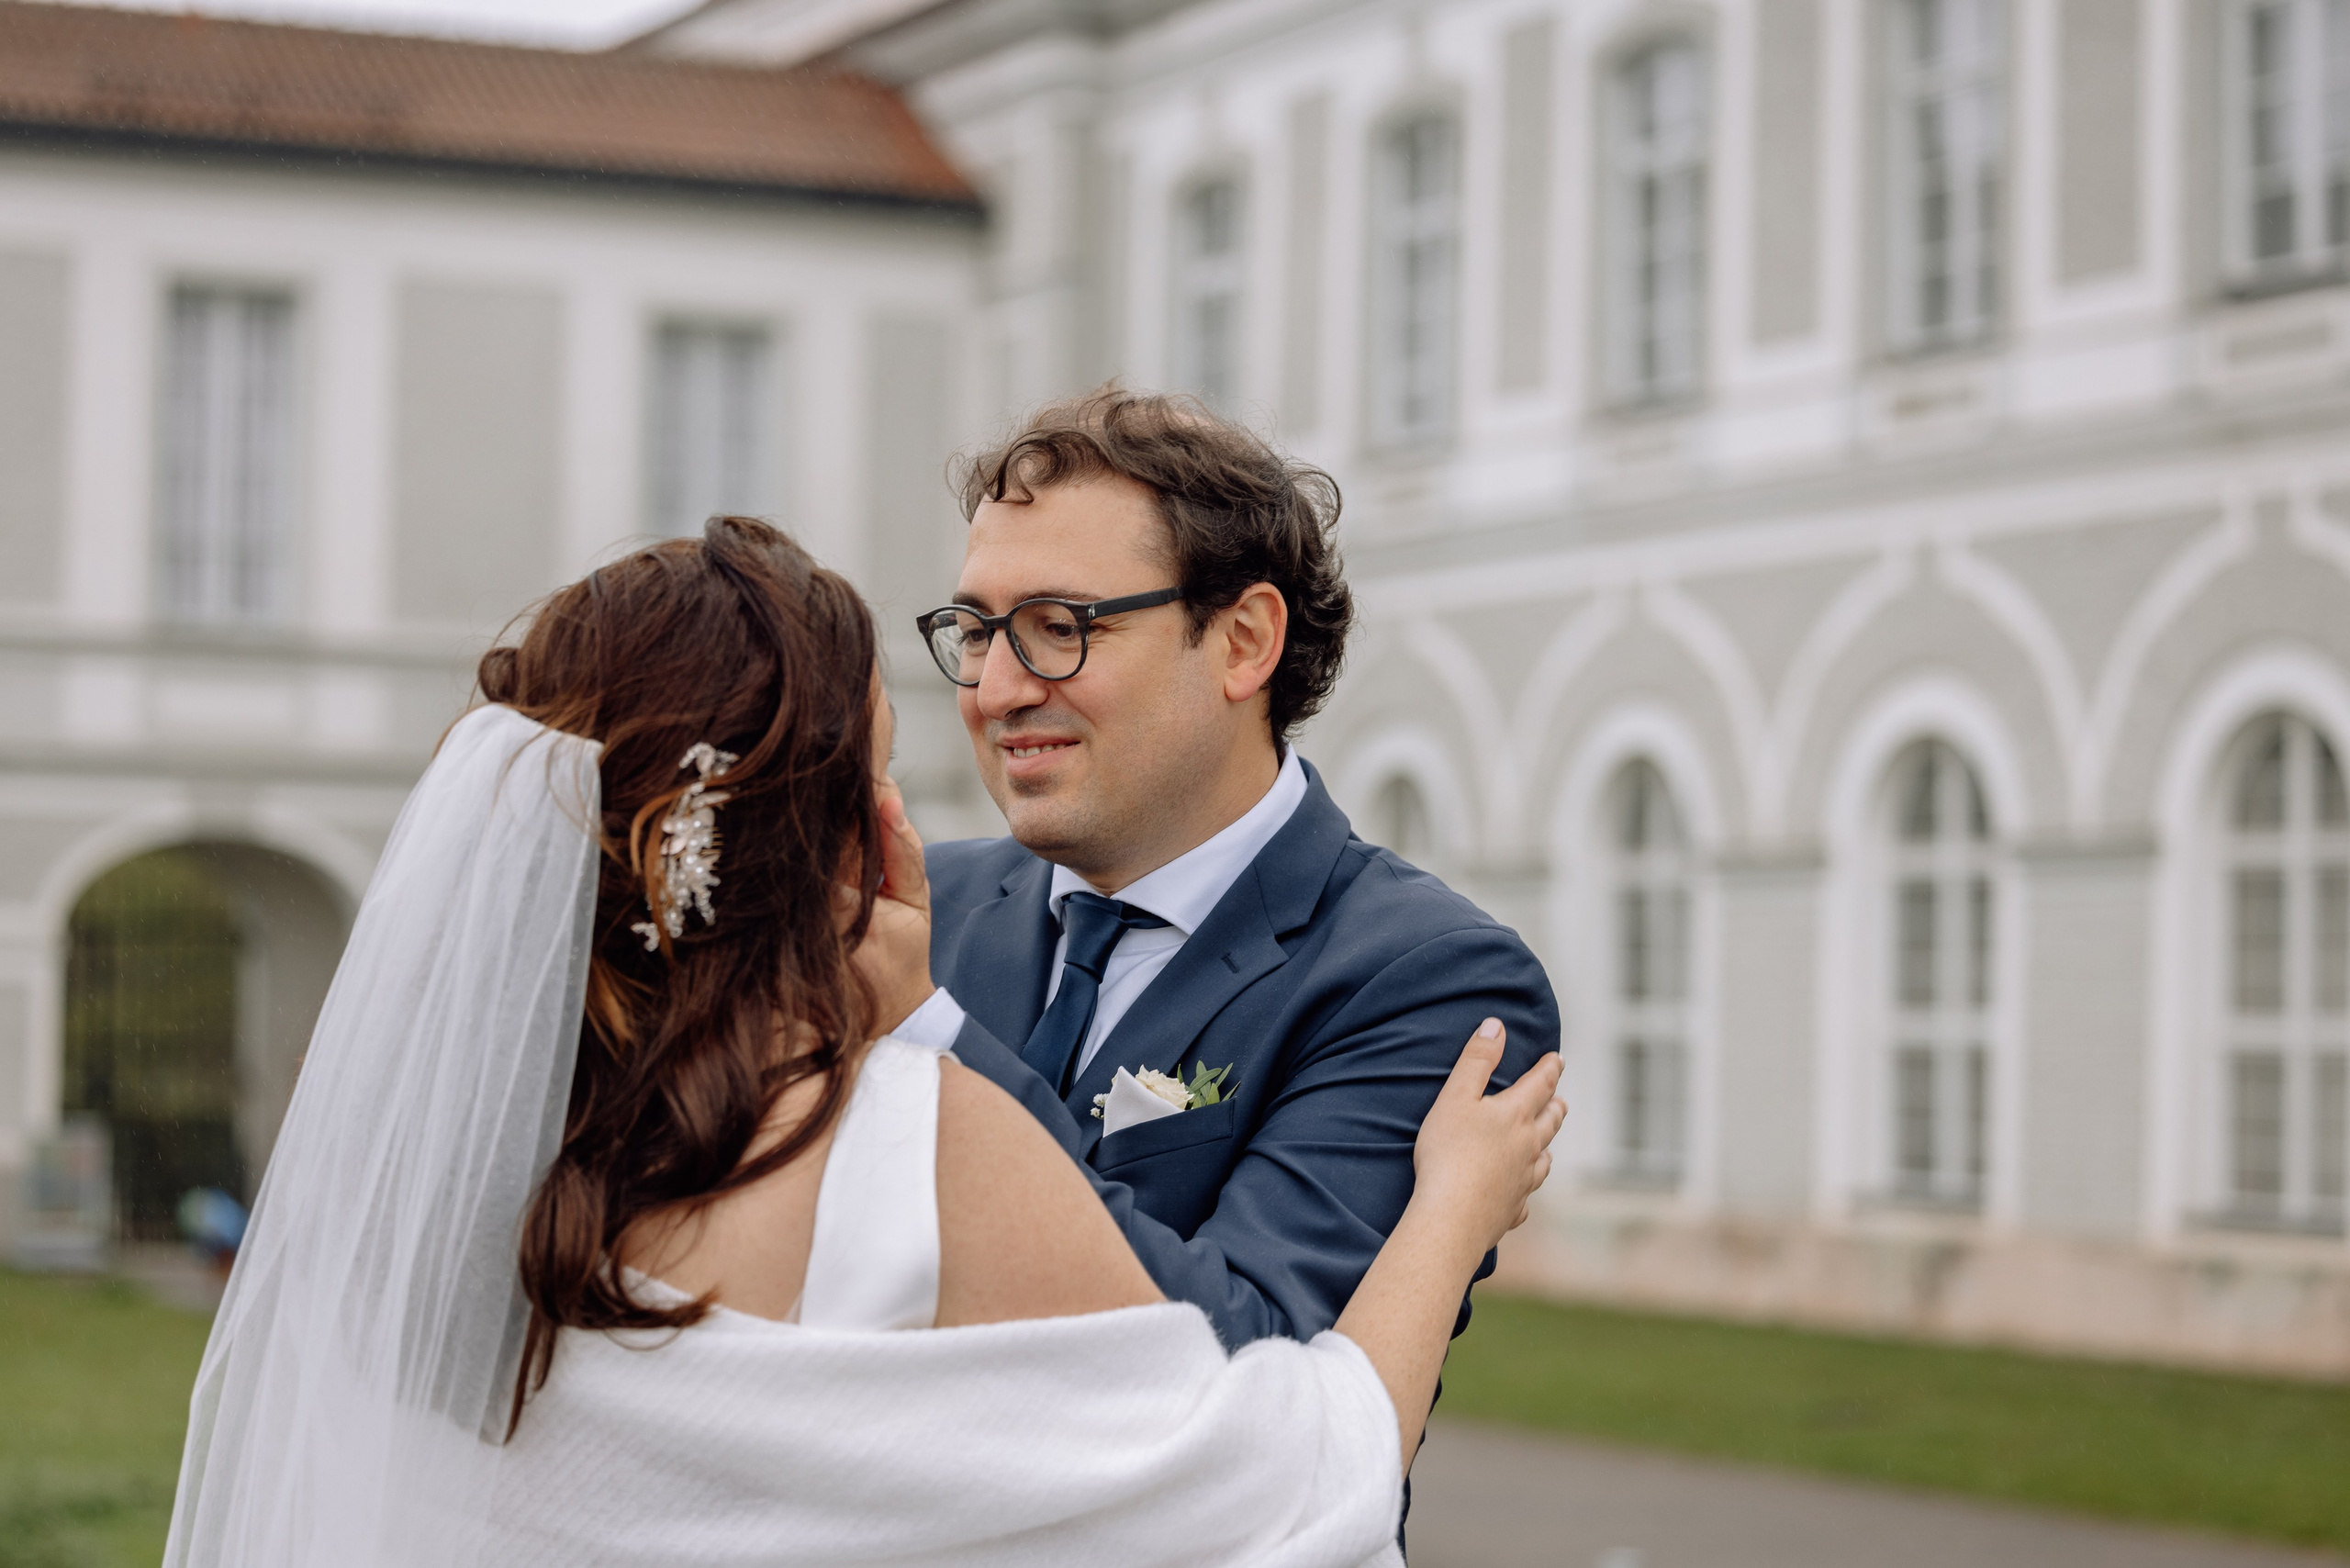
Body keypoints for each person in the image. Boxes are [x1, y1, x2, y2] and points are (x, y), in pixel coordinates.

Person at [162, 518, 1566, 1568]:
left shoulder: (435, 1155)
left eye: (1064, 623)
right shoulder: (910, 1132)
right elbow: (1297, 1493)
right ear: (841, 832)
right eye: (886, 758)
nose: (1002, 689)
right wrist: (1452, 1211)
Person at [908, 389, 1559, 1360]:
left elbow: (1256, 1370)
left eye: (1058, 625)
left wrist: (925, 1026)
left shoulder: (1430, 980)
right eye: (974, 631)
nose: (996, 690)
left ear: (1246, 641)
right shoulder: (912, 911)